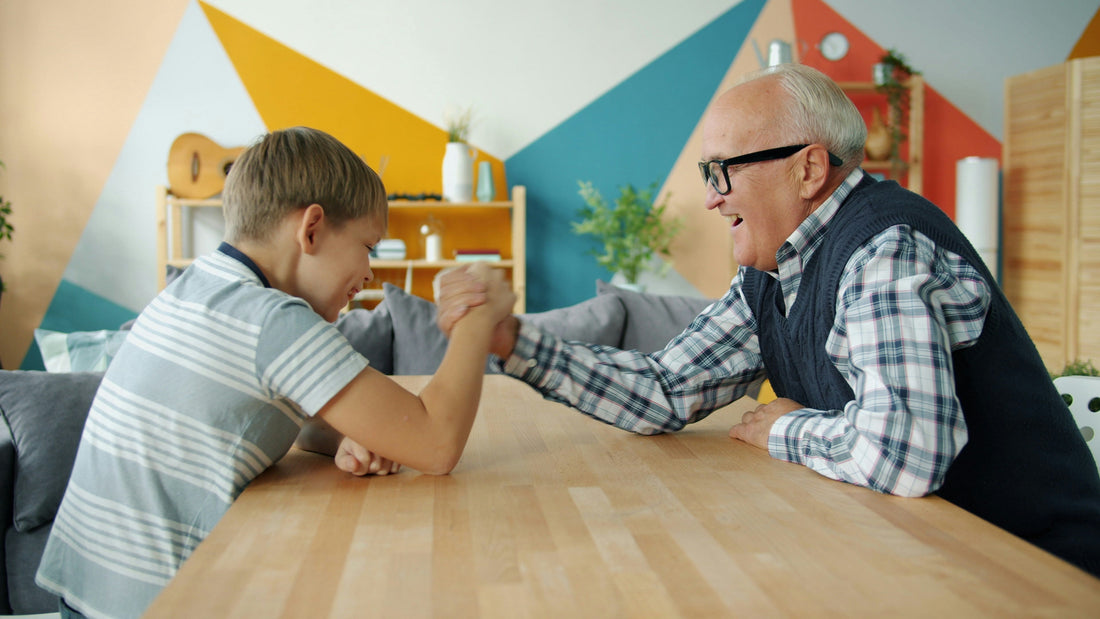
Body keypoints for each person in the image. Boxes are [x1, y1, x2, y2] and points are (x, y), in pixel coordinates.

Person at [434, 64, 1100, 577]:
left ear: (808, 167)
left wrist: (789, 429)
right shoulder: (772, 271)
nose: (710, 196)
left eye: (722, 170)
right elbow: (668, 388)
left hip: (1039, 570)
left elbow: (905, 453)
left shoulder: (883, 250)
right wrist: (515, 341)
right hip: (931, 555)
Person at [35, 126, 516, 618]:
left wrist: (346, 436)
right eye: (368, 247)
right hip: (152, 604)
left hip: (83, 589)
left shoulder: (196, 288)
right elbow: (436, 445)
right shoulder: (274, 321)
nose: (370, 272)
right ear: (311, 229)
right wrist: (477, 319)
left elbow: (277, 413)